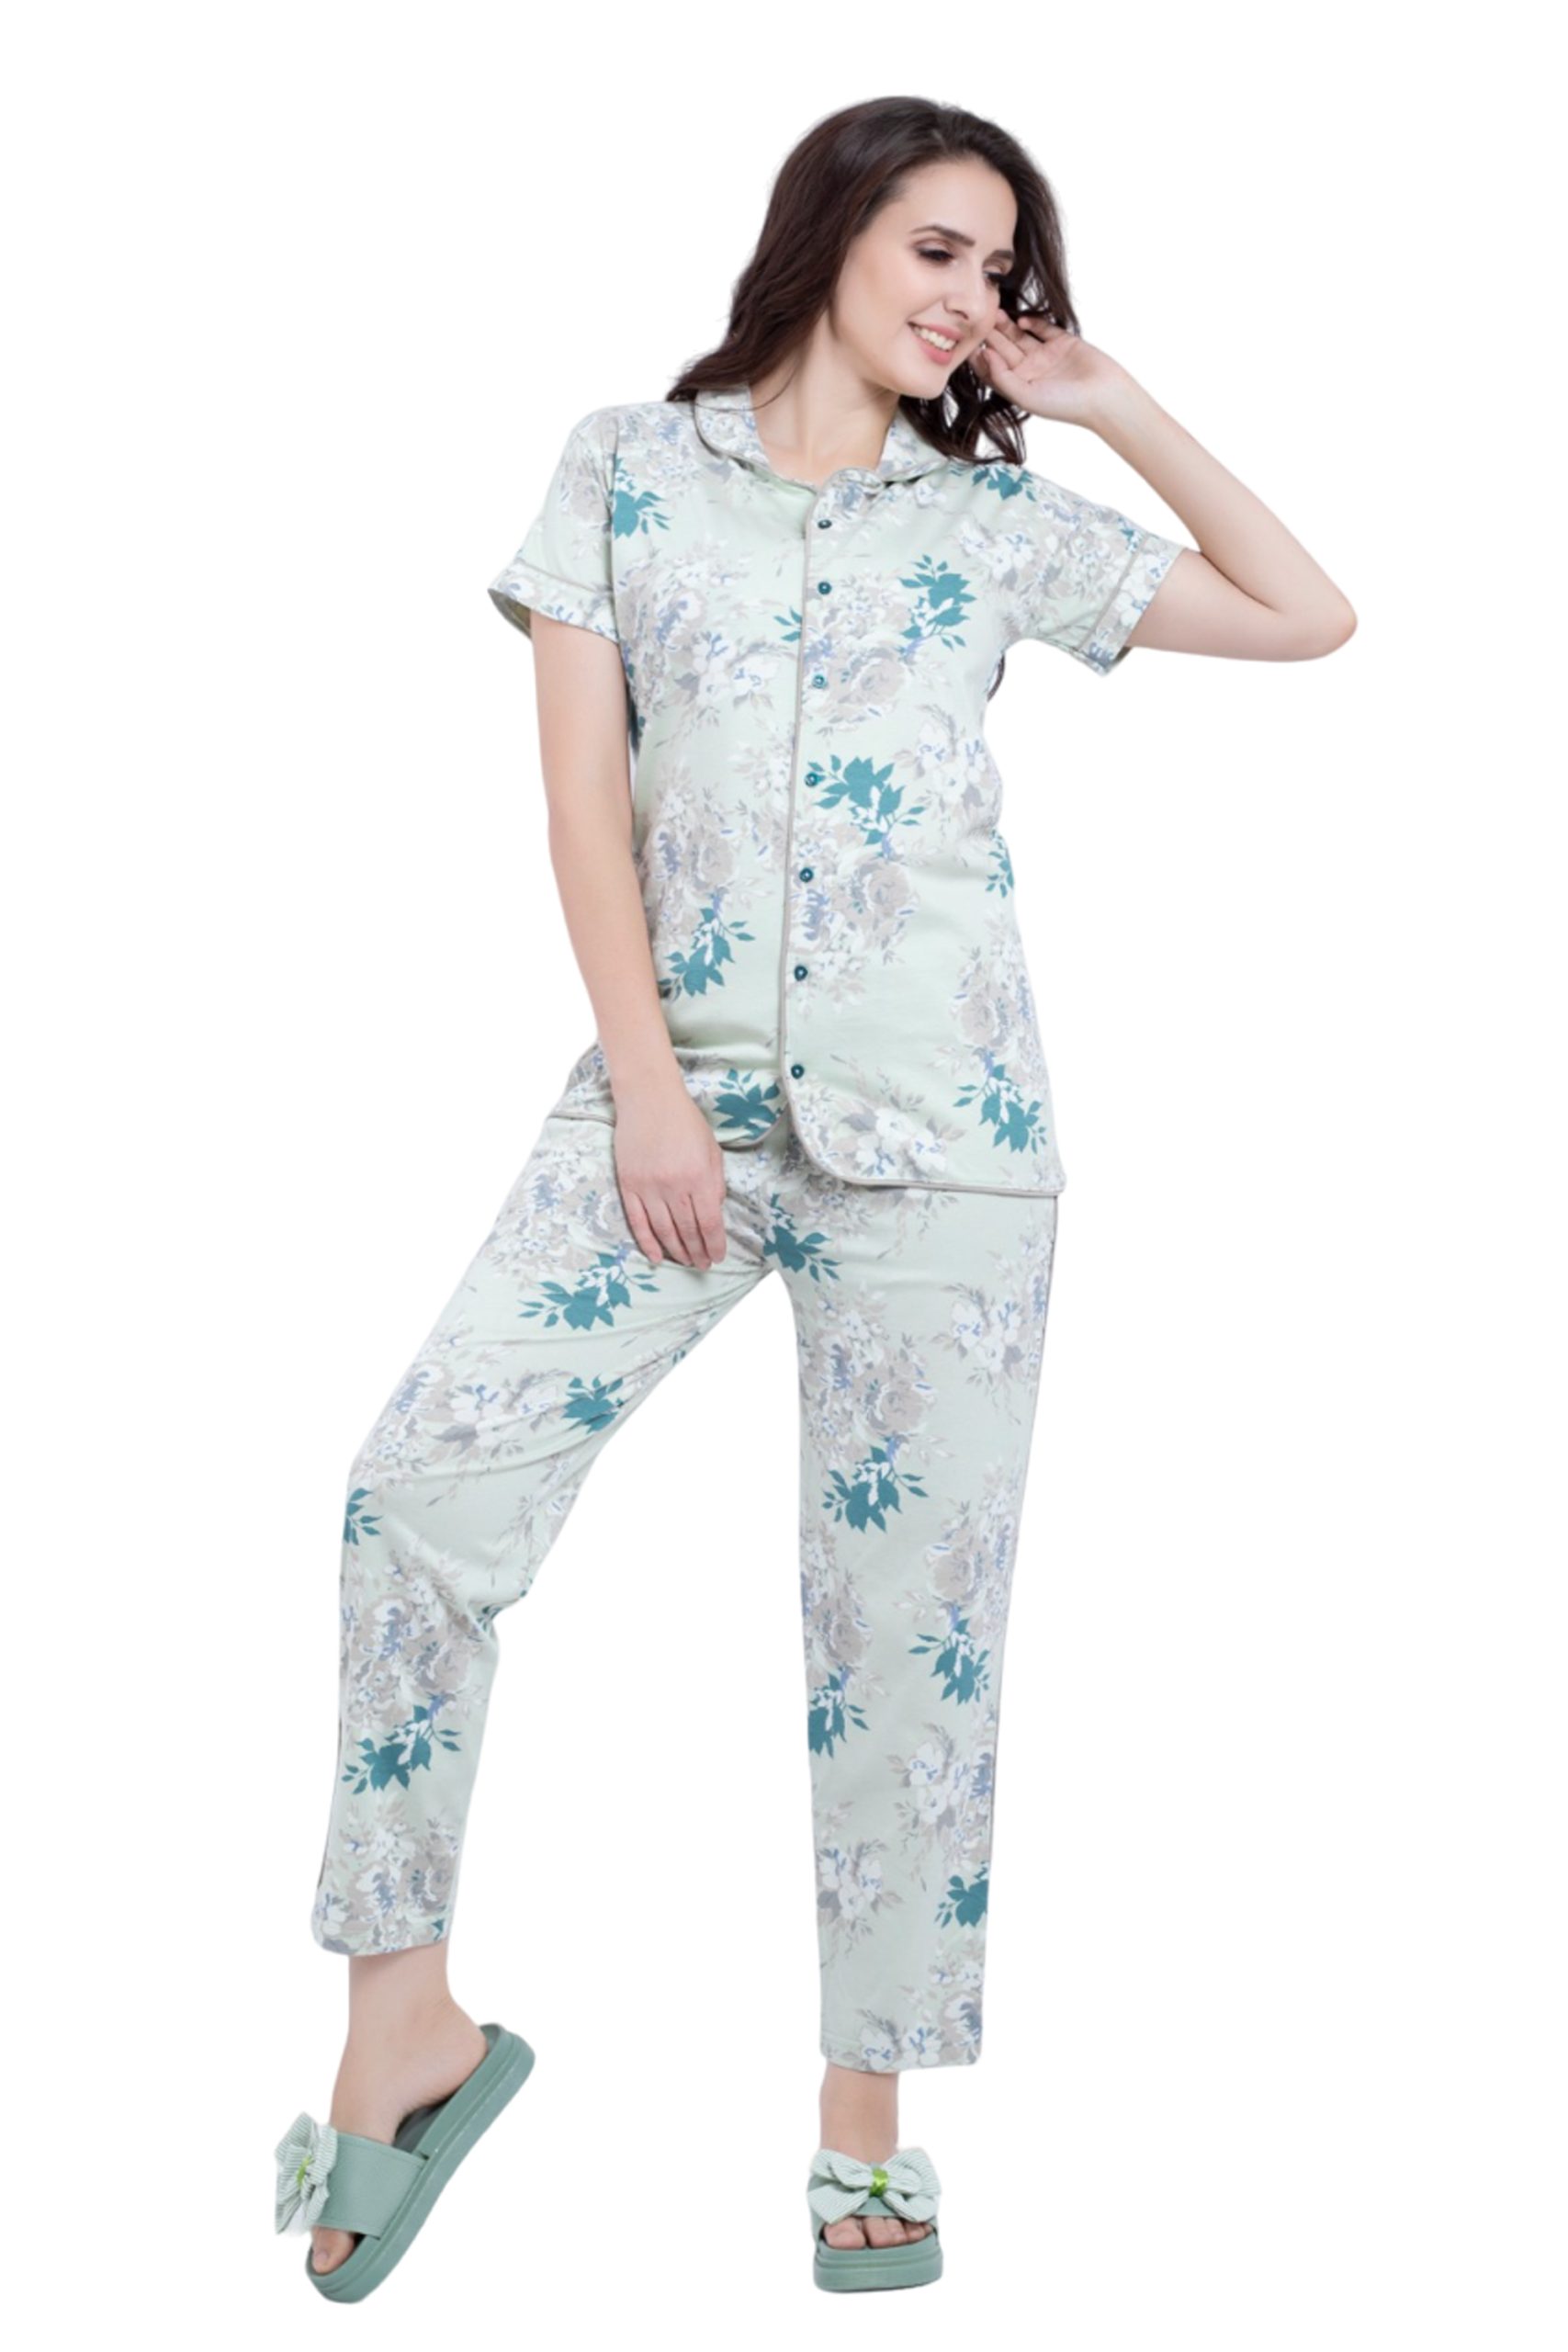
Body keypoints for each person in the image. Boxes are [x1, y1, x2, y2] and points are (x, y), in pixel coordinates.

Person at [293, 96, 1355, 2289]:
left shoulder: (994, 522)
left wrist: (1103, 398)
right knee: (415, 1496)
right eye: (939, 248)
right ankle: (404, 2019)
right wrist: (650, 1093)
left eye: (1002, 268)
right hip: (668, 1112)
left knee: (901, 1637)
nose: (971, 295)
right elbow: (583, 809)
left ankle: (863, 2114)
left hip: (946, 1143)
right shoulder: (623, 467)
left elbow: (1306, 612)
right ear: (832, 226)